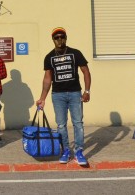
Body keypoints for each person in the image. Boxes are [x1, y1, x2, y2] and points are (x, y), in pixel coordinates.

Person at [36, 27, 91, 166]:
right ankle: (65, 150)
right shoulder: (49, 57)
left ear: (66, 38)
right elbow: (47, 79)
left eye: (62, 37)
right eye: (56, 37)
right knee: (61, 125)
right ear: (53, 40)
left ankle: (79, 152)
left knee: (78, 123)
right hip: (58, 95)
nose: (59, 40)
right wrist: (42, 98)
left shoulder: (75, 53)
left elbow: (86, 71)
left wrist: (87, 91)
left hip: (74, 94)